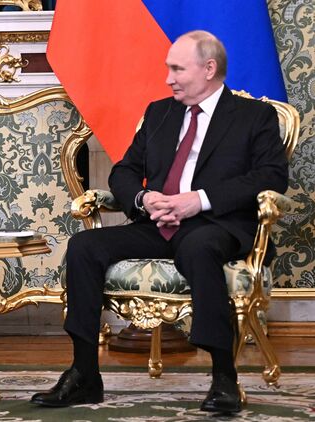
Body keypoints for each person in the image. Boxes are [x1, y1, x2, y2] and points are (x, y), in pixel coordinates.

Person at [31, 30, 288, 414]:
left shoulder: (254, 117)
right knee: (84, 246)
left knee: (199, 247)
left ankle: (223, 378)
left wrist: (197, 201)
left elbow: (270, 177)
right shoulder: (159, 113)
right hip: (157, 224)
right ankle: (83, 374)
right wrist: (144, 198)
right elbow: (124, 172)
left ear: (209, 69)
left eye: (177, 69)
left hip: (215, 225)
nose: (168, 78)